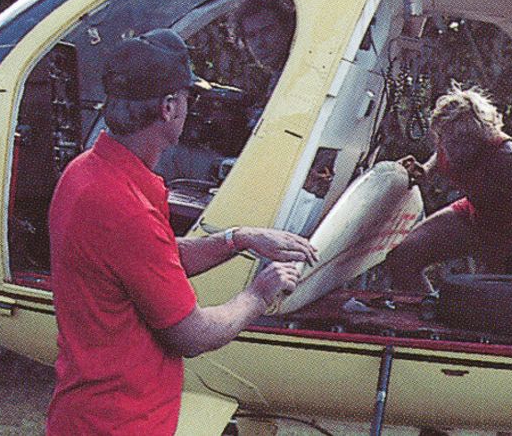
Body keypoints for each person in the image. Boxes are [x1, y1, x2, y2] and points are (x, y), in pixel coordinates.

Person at [46, 28, 318, 435]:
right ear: (169, 107)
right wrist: (258, 295)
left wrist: (237, 238)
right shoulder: (125, 209)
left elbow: (148, 262)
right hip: (122, 422)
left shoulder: (88, 173)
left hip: (86, 413)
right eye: (189, 99)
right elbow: (190, 335)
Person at [385, 83, 512, 293]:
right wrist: (423, 171)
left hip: (508, 233)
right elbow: (439, 157)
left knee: (485, 302)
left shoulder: (506, 158)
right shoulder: (449, 138)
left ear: (478, 136)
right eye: (444, 141)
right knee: (402, 258)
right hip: (471, 213)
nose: (448, 148)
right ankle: (425, 309)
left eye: (457, 142)